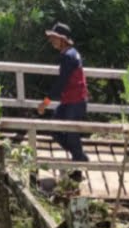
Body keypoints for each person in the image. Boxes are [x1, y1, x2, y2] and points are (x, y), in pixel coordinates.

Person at [37, 23, 90, 177]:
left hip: (75, 101)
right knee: (56, 128)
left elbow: (61, 83)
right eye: (51, 37)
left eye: (55, 38)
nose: (52, 40)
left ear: (63, 40)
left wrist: (45, 102)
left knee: (70, 134)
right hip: (71, 100)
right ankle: (80, 157)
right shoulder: (71, 53)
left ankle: (78, 166)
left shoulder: (68, 56)